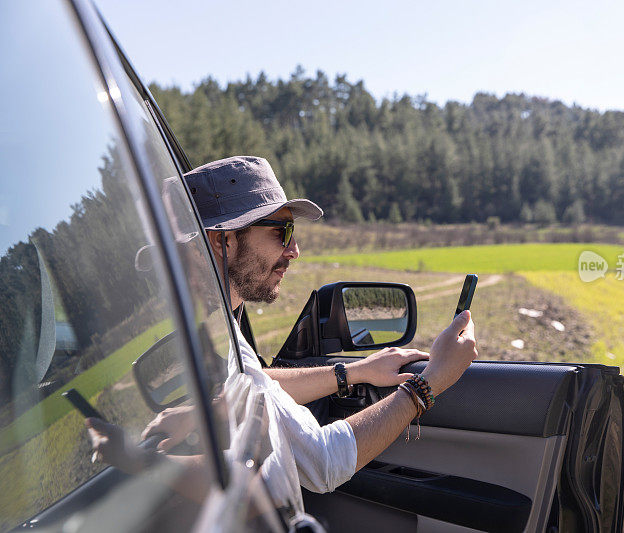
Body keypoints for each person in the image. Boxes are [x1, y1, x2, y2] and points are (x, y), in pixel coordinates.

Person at [92, 155, 478, 495]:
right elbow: (324, 465)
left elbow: (254, 385)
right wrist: (428, 384)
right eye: (281, 232)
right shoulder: (213, 337)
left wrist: (357, 371)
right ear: (219, 242)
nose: (295, 251)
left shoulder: (214, 328)